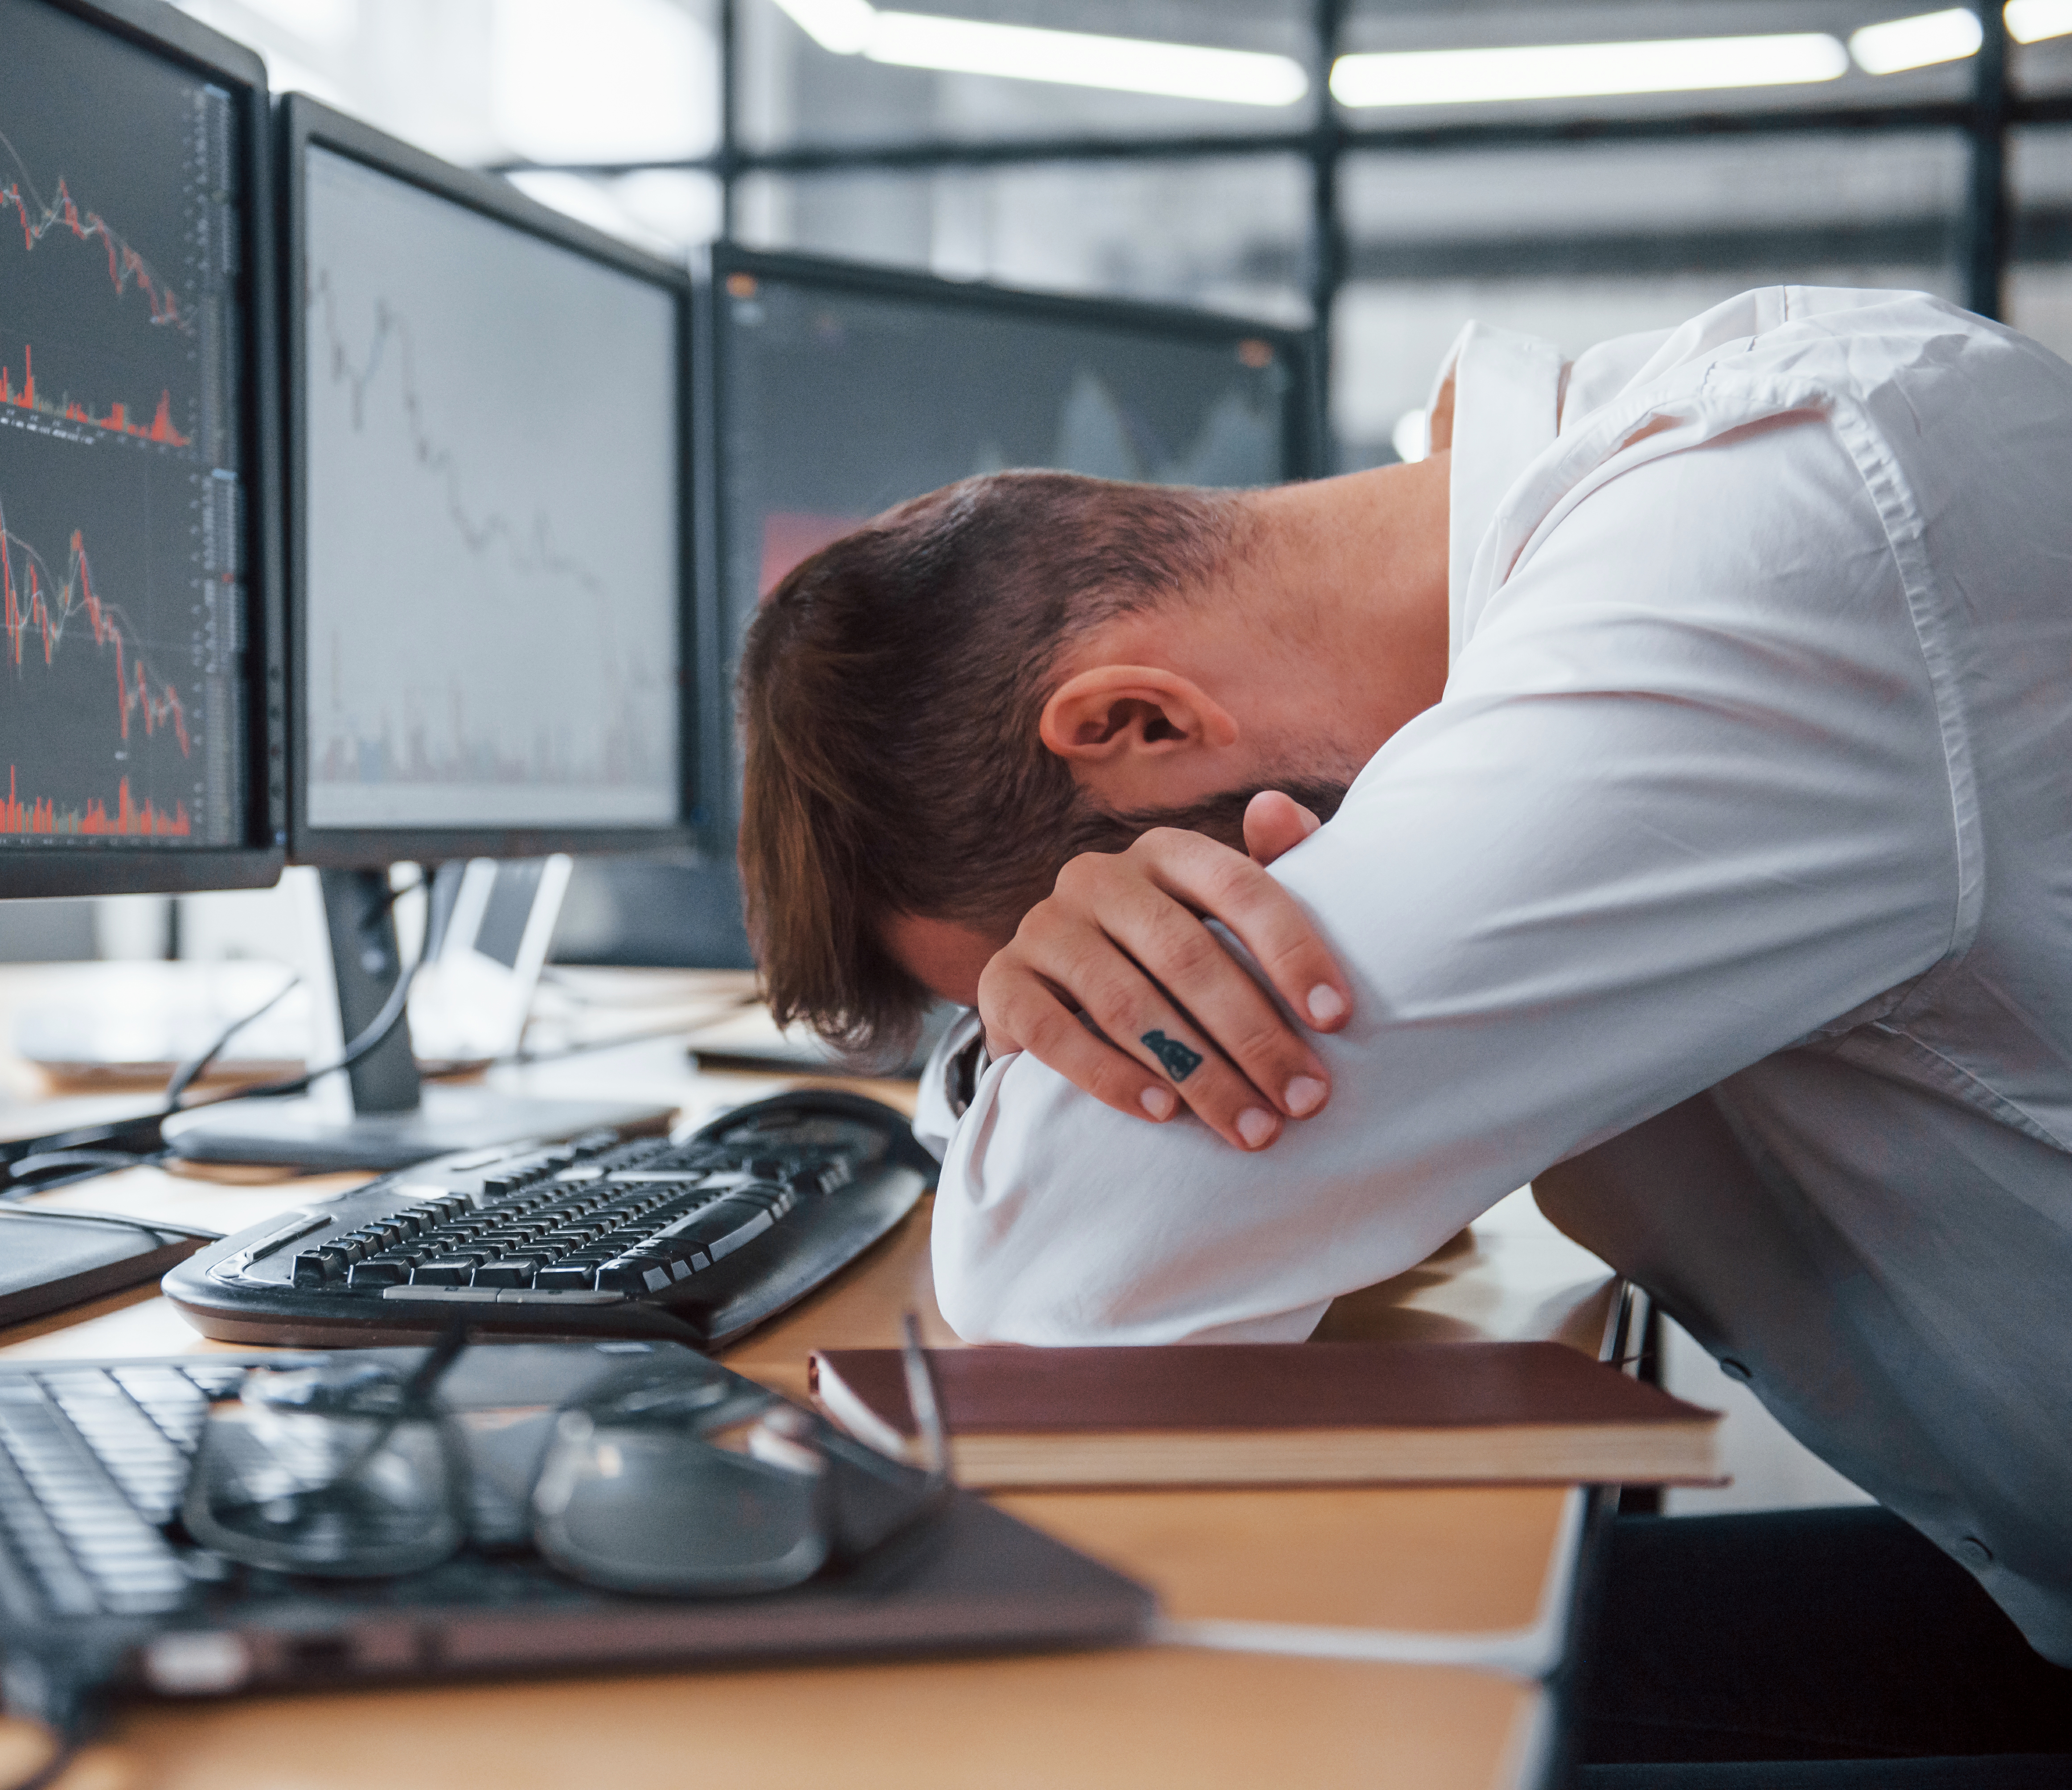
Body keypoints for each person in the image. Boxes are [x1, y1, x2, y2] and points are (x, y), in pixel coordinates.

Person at [736, 287, 2072, 1780]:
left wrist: (1063, 1124)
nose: (1106, 1019)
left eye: (1112, 964)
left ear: (1135, 726)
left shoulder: (1758, 546)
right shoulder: (1600, 517)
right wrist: (1006, 1051)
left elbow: (1074, 1273)